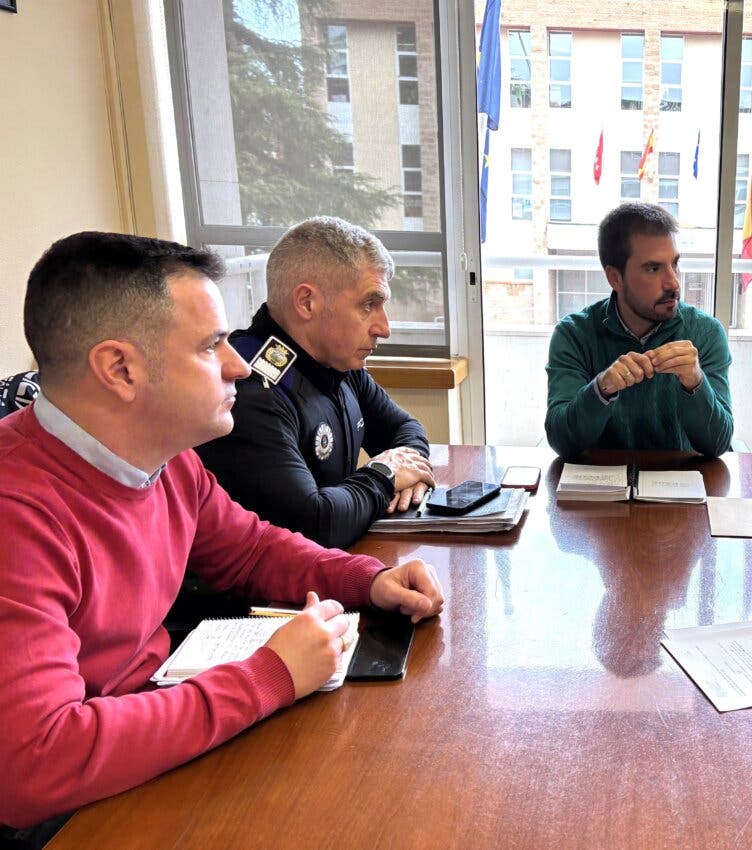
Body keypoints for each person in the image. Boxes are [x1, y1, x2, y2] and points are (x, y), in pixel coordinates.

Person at [0, 232, 445, 831]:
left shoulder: (166, 458)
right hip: (65, 812)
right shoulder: (16, 514)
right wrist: (271, 675)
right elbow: (35, 765)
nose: (239, 363)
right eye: (212, 346)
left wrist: (373, 579)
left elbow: (251, 549)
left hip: (145, 734)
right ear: (119, 368)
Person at [196, 217, 434, 549]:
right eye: (369, 304)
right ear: (307, 302)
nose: (384, 327)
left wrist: (403, 467)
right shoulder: (251, 391)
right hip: (271, 597)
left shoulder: (338, 364)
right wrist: (386, 475)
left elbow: (404, 428)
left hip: (336, 572)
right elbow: (313, 525)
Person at [544, 203, 733, 458]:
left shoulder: (706, 333)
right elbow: (562, 441)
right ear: (615, 278)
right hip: (600, 491)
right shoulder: (574, 334)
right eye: (654, 269)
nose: (674, 282)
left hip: (680, 490)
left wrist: (695, 382)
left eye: (674, 264)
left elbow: (718, 444)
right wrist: (601, 389)